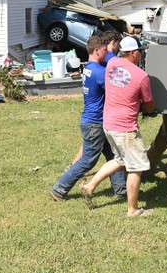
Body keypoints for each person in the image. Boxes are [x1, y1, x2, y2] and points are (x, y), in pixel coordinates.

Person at [80, 36, 156, 217]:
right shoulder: (141, 76)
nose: (141, 54)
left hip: (108, 124)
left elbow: (106, 54)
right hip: (126, 128)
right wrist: (150, 110)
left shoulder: (112, 63)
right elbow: (149, 104)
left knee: (119, 159)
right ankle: (133, 209)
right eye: (140, 51)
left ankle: (89, 186)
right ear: (132, 53)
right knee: (136, 167)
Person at [50, 36, 126, 202]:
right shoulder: (100, 72)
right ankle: (59, 189)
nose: (107, 54)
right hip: (95, 123)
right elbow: (116, 90)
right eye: (105, 51)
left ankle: (121, 191)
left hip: (94, 120)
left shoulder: (89, 68)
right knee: (87, 160)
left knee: (114, 155)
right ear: (97, 50)